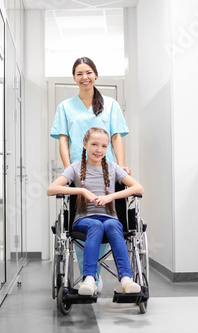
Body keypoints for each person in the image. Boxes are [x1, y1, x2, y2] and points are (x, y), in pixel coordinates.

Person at [50, 57, 131, 290]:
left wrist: (121, 166)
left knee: (106, 218)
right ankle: (90, 274)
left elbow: (116, 137)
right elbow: (63, 140)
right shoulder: (65, 107)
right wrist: (70, 170)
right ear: (73, 78)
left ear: (95, 75)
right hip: (79, 172)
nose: (84, 77)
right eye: (79, 73)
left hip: (106, 172)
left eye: (88, 72)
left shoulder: (111, 104)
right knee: (82, 221)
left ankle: (94, 273)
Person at [47, 127, 144, 295]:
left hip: (109, 218)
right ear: (85, 145)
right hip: (84, 219)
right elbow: (51, 189)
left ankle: (126, 279)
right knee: (95, 226)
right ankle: (90, 279)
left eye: (104, 146)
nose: (99, 150)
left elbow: (138, 187)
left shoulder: (113, 168)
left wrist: (110, 197)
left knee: (114, 225)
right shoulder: (75, 168)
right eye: (94, 144)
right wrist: (82, 191)